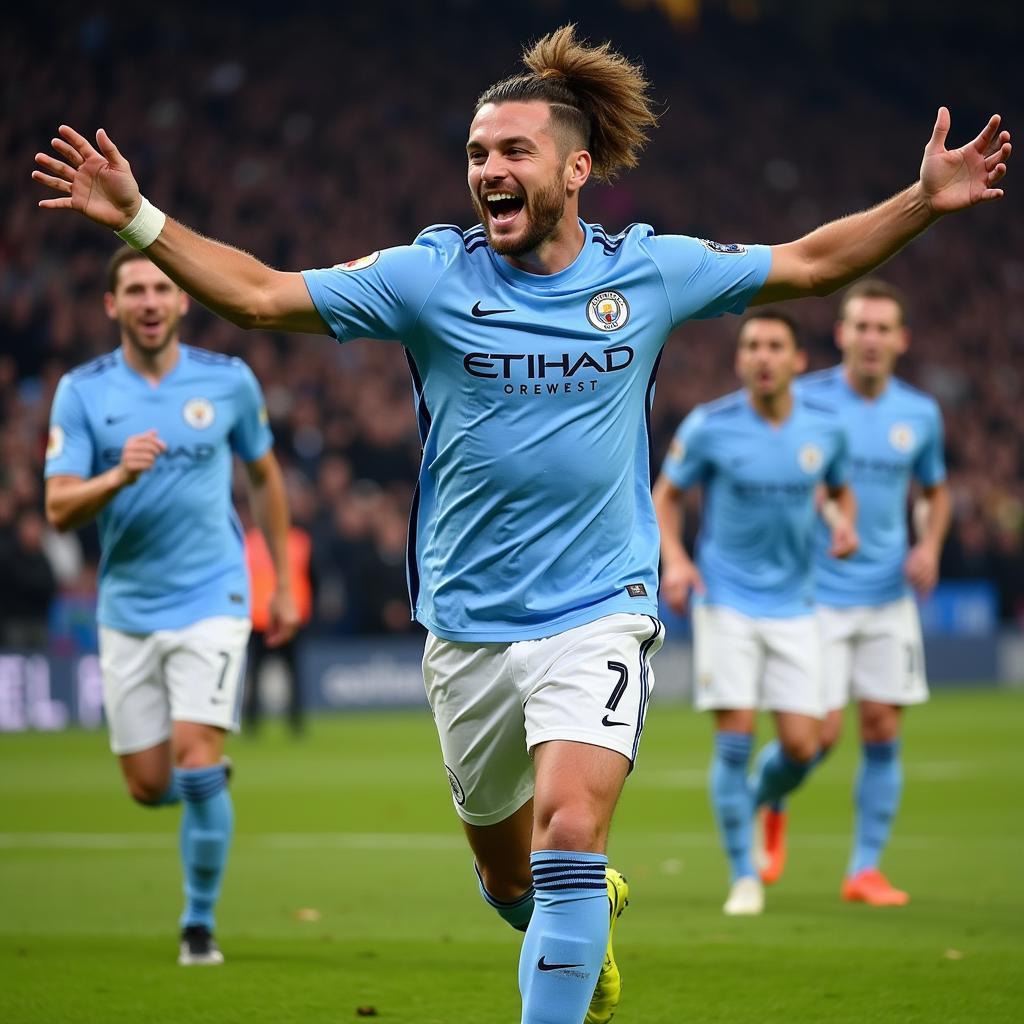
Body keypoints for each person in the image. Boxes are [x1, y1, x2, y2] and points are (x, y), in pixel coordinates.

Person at [33, 22, 1009, 1023]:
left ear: (576, 169)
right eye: (474, 154)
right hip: (465, 625)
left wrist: (923, 202)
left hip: (599, 608)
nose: (486, 171)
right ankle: (571, 928)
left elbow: (807, 266)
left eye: (511, 152)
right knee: (510, 881)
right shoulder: (429, 277)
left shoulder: (648, 271)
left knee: (571, 831)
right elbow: (261, 296)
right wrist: (140, 220)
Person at [43, 246, 301, 966]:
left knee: (194, 760)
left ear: (184, 298)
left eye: (163, 287)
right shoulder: (83, 393)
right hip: (126, 607)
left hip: (214, 595)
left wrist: (280, 580)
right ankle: (203, 789)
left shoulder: (227, 382)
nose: (151, 301)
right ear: (112, 306)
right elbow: (59, 509)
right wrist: (115, 477)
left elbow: (265, 477)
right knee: (148, 785)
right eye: (135, 291)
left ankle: (198, 925)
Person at [652, 310, 858, 915]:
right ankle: (744, 874)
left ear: (798, 361)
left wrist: (843, 522)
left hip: (796, 603)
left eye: (774, 346)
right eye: (751, 346)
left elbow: (839, 488)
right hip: (727, 602)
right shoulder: (711, 426)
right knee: (735, 738)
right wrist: (678, 562)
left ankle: (768, 799)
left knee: (806, 746)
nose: (762, 356)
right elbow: (665, 495)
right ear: (739, 360)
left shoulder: (826, 429)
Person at [757, 279, 951, 907]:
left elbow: (935, 490)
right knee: (815, 740)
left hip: (888, 594)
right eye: (859, 327)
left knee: (882, 726)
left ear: (901, 340)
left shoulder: (920, 414)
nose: (870, 339)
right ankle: (769, 795)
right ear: (841, 335)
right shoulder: (806, 402)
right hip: (817, 594)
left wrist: (930, 547)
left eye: (882, 329)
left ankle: (863, 870)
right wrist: (829, 515)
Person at [242, 510, 313, 735]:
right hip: (283, 616)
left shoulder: (251, 541)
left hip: (261, 616)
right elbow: (313, 577)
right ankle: (294, 724)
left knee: (259, 671)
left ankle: (253, 723)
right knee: (290, 673)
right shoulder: (298, 540)